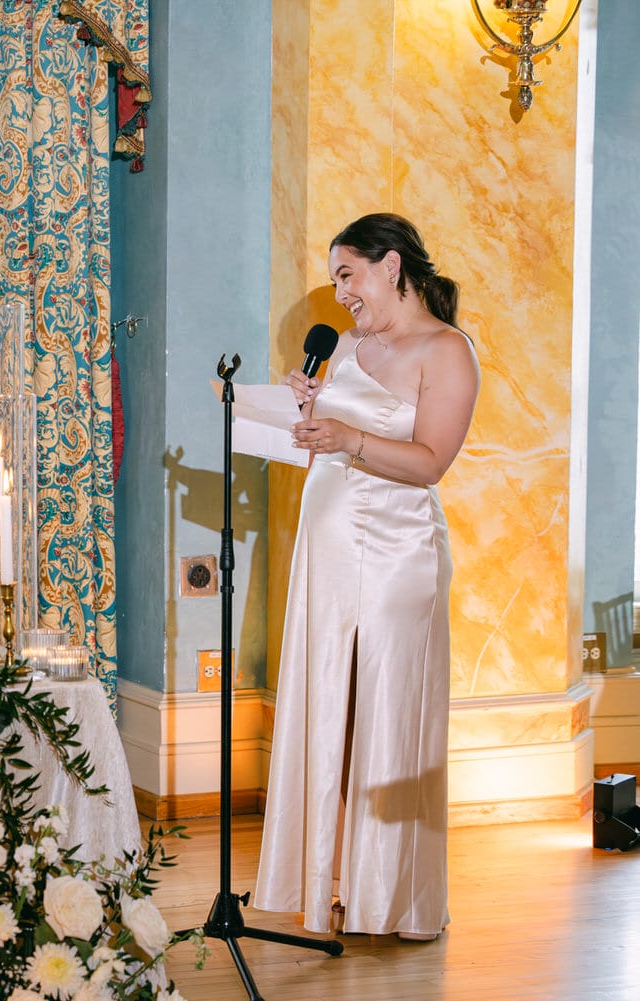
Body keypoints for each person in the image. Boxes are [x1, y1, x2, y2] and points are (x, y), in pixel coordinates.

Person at [253, 213, 480, 942]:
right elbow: (339, 445)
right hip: (327, 549)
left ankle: (391, 894)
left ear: (390, 265)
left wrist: (348, 436)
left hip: (395, 551)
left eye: (347, 275)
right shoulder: (346, 346)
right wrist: (311, 414)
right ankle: (324, 882)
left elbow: (429, 461)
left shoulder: (446, 351)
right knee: (328, 709)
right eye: (334, 279)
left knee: (386, 711)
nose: (340, 293)